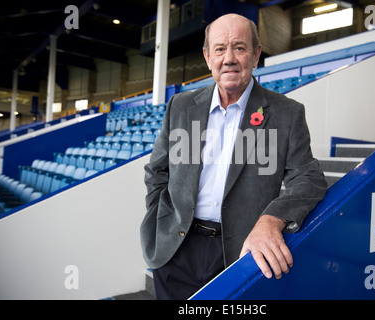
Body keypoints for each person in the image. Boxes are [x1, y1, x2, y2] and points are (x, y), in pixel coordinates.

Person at [140, 13, 327, 300]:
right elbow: (157, 171)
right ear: (207, 56)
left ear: (255, 54)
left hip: (241, 254)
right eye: (219, 49)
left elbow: (308, 178)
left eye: (239, 47)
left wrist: (271, 220)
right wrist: (160, 216)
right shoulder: (180, 105)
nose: (229, 58)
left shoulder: (286, 114)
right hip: (176, 249)